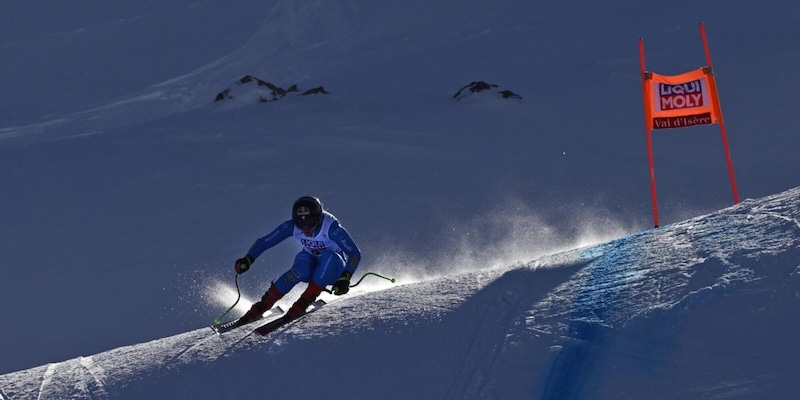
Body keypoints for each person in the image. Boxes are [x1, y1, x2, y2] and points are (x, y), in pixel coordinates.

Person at [231, 196, 361, 326]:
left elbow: (354, 253)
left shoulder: (331, 228)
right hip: (311, 264)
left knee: (329, 257)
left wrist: (345, 278)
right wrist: (248, 259)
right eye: (300, 224)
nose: (305, 229)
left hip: (334, 270)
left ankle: (304, 301)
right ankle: (264, 305)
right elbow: (265, 242)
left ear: (319, 218)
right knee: (301, 267)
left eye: (310, 223)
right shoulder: (292, 227)